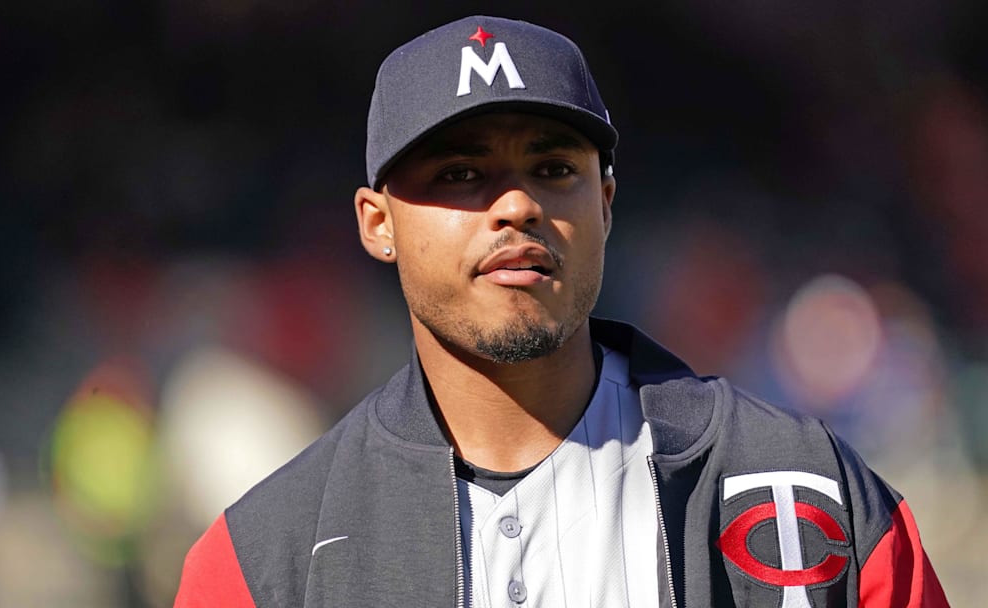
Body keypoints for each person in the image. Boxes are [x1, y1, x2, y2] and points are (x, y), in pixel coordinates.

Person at [174, 15, 948, 608]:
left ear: (605, 205)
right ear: (379, 224)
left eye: (552, 168)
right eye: (461, 173)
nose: (517, 205)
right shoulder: (266, 557)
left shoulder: (804, 489)